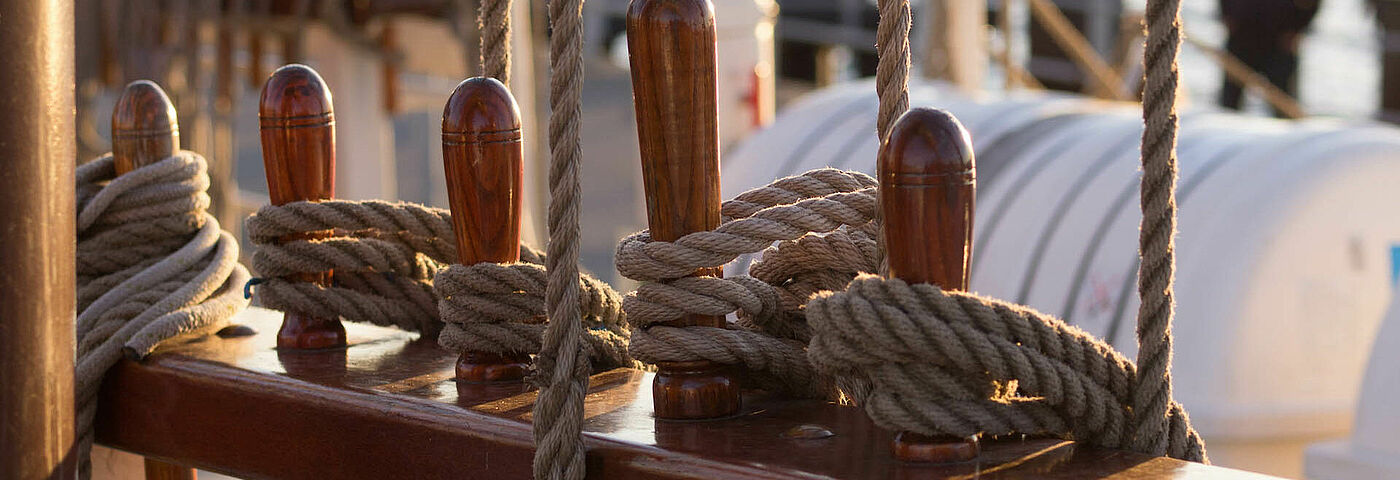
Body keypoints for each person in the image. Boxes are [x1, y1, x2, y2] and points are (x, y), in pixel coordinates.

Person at [1218, 0, 1321, 117]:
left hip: (1281, 41)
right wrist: (1226, 15)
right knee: (1229, 107)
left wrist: (1299, 27)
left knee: (1284, 107)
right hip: (1242, 36)